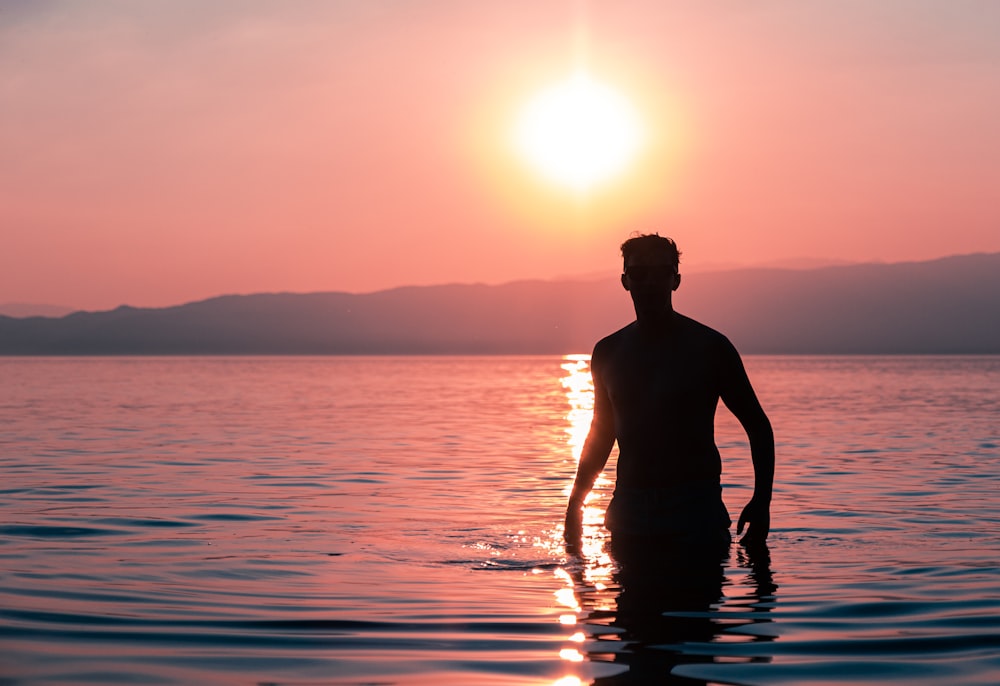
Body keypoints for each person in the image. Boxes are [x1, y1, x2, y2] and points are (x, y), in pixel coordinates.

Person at [564, 233, 774, 553]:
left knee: (696, 598)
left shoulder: (710, 348)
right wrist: (575, 505)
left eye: (661, 273)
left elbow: (757, 426)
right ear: (625, 281)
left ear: (675, 280)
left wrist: (762, 502)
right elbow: (601, 434)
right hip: (629, 512)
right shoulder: (608, 352)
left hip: (695, 511)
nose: (650, 282)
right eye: (639, 274)